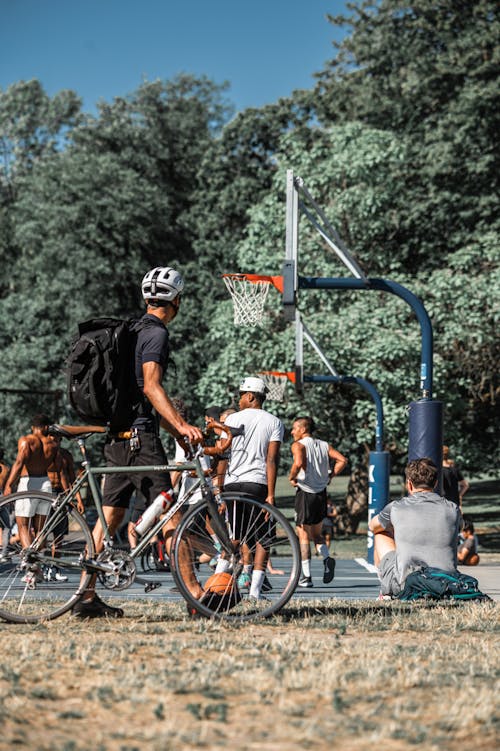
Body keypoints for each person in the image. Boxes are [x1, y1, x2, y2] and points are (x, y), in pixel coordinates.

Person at [72, 266, 204, 618]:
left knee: (109, 519)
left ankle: (85, 597)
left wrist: (177, 431)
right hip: (141, 440)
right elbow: (151, 387)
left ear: (147, 299)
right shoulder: (156, 335)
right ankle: (196, 597)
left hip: (118, 438)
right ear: (176, 300)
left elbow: (143, 397)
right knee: (171, 516)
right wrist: (184, 425)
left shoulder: (129, 331)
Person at [220, 376, 284, 600]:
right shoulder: (274, 422)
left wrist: (219, 488)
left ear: (250, 396)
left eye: (240, 395)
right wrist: (271, 495)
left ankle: (217, 582)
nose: (238, 400)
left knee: (234, 538)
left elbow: (222, 455)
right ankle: (255, 592)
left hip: (232, 483)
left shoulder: (230, 420)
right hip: (257, 483)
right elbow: (272, 460)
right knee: (263, 539)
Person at [368, 457, 461, 598]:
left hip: (406, 584)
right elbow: (459, 527)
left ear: (409, 484)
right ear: (435, 484)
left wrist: (395, 528)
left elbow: (372, 526)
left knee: (380, 533)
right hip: (446, 583)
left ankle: (386, 591)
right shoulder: (453, 508)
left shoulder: (396, 507)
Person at [289, 417, 347, 588]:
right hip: (321, 493)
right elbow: (343, 460)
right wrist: (330, 476)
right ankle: (327, 558)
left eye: (294, 428)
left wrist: (292, 477)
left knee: (303, 535)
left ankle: (306, 577)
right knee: (317, 534)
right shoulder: (324, 445)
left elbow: (298, 463)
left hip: (305, 493)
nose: (292, 432)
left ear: (302, 429)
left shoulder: (298, 445)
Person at [4, 415, 58, 562]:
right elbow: (60, 468)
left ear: (33, 427)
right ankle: (38, 564)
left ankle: (31, 565)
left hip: (28, 484)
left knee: (23, 527)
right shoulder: (53, 444)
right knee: (40, 529)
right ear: (46, 427)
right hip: (46, 484)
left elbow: (19, 463)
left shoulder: (26, 441)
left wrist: (9, 484)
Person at [0, 447, 12, 562]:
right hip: (2, 497)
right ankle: (4, 552)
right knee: (6, 527)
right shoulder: (6, 469)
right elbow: (8, 486)